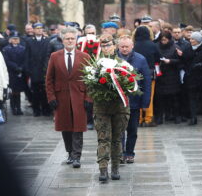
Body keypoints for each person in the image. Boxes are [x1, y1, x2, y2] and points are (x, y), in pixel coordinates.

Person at [46, 27, 91, 169]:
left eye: (72, 38)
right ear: (62, 40)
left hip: (79, 96)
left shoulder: (85, 57)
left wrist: (89, 98)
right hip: (62, 97)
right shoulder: (55, 56)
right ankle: (70, 152)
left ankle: (77, 156)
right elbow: (49, 79)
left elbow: (90, 79)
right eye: (67, 38)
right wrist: (51, 97)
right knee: (65, 126)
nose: (70, 41)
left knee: (78, 127)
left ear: (76, 40)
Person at [93, 34, 130, 182]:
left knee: (116, 139)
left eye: (108, 45)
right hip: (101, 108)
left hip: (119, 107)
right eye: (103, 45)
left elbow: (129, 85)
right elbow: (90, 86)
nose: (106, 48)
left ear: (114, 46)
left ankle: (115, 168)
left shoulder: (123, 65)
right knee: (103, 139)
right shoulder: (95, 65)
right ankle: (103, 169)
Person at [117, 35, 151, 163]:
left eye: (127, 47)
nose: (124, 49)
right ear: (118, 47)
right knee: (119, 130)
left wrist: (145, 101)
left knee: (132, 130)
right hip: (118, 102)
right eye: (122, 47)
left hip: (134, 101)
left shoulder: (140, 59)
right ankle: (120, 153)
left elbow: (147, 81)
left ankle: (129, 153)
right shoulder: (113, 59)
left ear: (132, 46)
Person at [133, 26, 160, 127]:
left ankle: (139, 118)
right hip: (150, 73)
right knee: (149, 96)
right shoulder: (152, 45)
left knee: (137, 95)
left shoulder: (135, 45)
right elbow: (158, 58)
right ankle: (148, 118)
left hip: (136, 74)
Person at [184, 32, 202, 125]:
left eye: (193, 39)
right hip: (191, 77)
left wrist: (201, 64)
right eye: (190, 39)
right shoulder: (187, 49)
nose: (190, 40)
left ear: (198, 40)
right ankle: (193, 118)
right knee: (192, 98)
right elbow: (184, 61)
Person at [154, 32, 181, 124]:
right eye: (162, 40)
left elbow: (180, 61)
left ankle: (176, 116)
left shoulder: (175, 47)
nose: (163, 41)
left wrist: (170, 61)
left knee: (174, 98)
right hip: (160, 75)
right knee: (160, 98)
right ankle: (160, 117)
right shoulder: (156, 46)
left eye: (165, 40)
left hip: (172, 75)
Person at [25, 23, 50, 117]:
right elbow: (27, 56)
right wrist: (27, 69)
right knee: (35, 91)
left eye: (41, 28)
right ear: (34, 30)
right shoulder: (29, 41)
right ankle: (36, 110)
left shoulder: (47, 40)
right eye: (37, 28)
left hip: (44, 69)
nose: (39, 30)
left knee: (44, 90)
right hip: (34, 69)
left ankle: (46, 109)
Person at [2, 31, 26, 115]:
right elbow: (7, 60)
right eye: (14, 39)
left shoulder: (23, 48)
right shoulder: (6, 49)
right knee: (12, 91)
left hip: (20, 72)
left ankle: (18, 108)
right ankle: (13, 108)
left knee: (18, 92)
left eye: (17, 39)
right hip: (11, 72)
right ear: (10, 40)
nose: (15, 40)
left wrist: (21, 67)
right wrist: (15, 67)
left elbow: (25, 59)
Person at [173, 26, 191, 122]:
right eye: (175, 32)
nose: (176, 34)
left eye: (178, 32)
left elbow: (188, 57)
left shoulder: (186, 44)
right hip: (173, 71)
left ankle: (185, 113)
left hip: (183, 69)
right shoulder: (170, 43)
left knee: (184, 93)